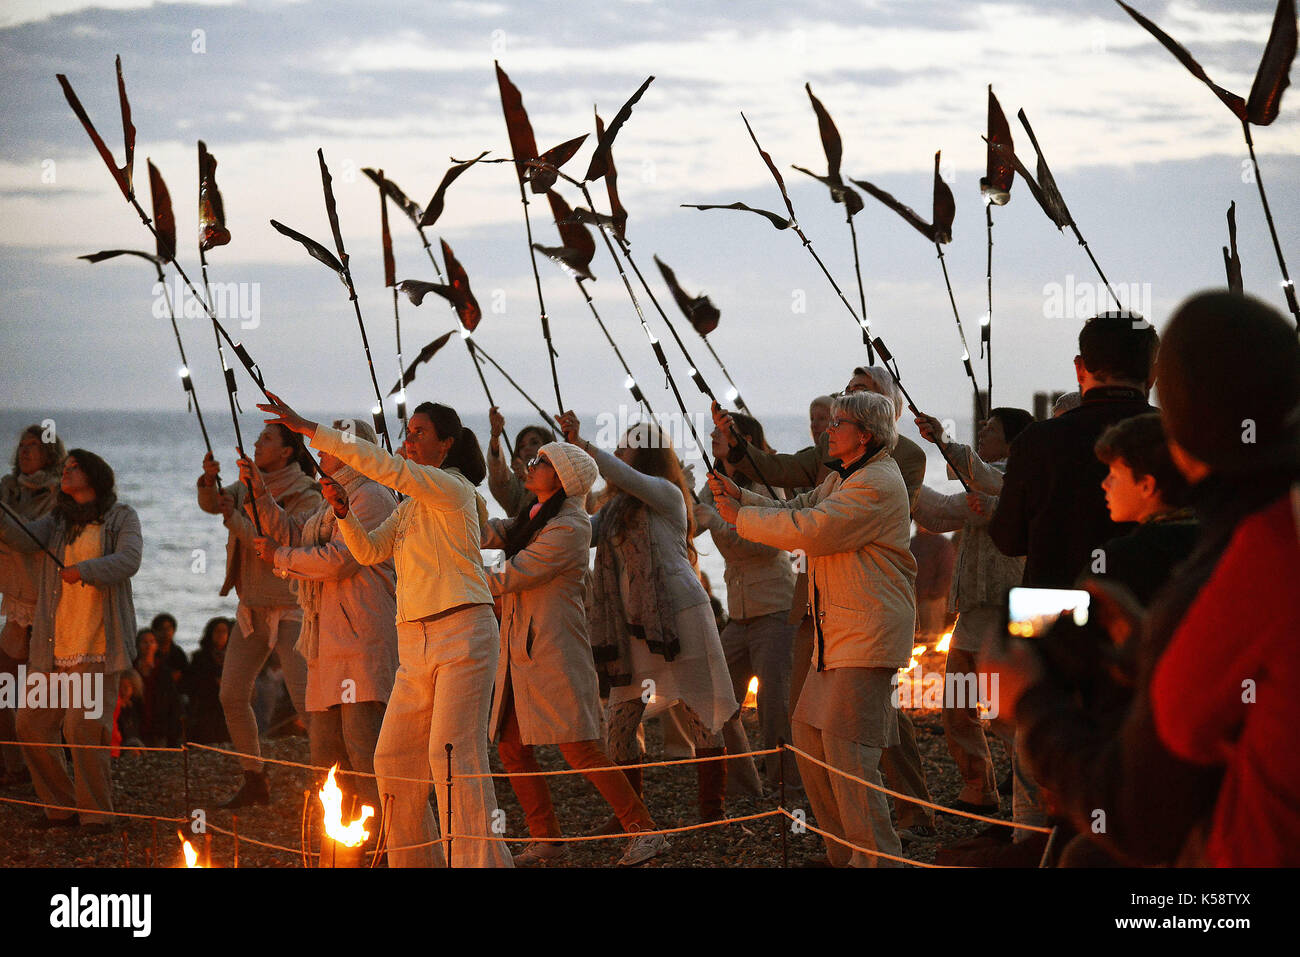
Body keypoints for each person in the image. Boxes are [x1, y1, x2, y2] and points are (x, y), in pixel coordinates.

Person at [996, 291, 1300, 866]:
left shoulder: (1247, 566)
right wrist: (1146, 644)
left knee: (1076, 854)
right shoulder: (1268, 521)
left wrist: (1028, 699)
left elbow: (1138, 817)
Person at [259, 393, 512, 868]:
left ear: (446, 444)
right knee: (392, 759)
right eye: (407, 431)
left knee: (453, 758)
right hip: (414, 643)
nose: (408, 440)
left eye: (419, 433)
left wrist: (308, 426)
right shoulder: (413, 504)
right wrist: (342, 513)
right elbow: (372, 550)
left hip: (464, 633)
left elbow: (387, 469)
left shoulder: (451, 489)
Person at [715, 364, 937, 840]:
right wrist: (740, 499)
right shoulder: (844, 477)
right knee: (812, 741)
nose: (827, 430)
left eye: (838, 423)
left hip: (866, 633)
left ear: (865, 435)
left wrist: (741, 517)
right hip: (834, 631)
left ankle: (875, 855)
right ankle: (845, 851)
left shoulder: (877, 481)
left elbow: (813, 531)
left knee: (850, 755)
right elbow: (796, 509)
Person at [483, 440, 668, 866]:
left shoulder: (570, 526)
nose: (530, 467)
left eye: (541, 462)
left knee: (580, 749)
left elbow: (514, 573)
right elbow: (495, 530)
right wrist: (447, 515)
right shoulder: (533, 517)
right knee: (512, 748)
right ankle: (546, 837)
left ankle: (645, 831)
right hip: (519, 652)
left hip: (554, 652)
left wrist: (462, 567)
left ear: (565, 478)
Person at [557, 412, 738, 824]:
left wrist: (585, 446)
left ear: (648, 455)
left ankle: (713, 812)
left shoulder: (667, 494)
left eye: (627, 445)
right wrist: (569, 481)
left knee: (701, 711)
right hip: (632, 626)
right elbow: (584, 532)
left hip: (681, 618)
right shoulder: (616, 508)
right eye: (618, 445)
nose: (620, 451)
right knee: (620, 716)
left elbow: (622, 473)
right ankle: (631, 813)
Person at [250, 418, 399, 814]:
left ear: (352, 451)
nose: (318, 452)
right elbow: (294, 533)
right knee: (327, 752)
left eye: (328, 446)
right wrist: (258, 494)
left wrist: (280, 558)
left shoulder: (371, 497)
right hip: (328, 642)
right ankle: (346, 838)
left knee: (364, 747)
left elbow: (339, 561)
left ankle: (388, 838)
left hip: (361, 638)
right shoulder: (330, 497)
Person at [0, 449, 141, 833]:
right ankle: (60, 808)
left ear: (94, 474)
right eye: (64, 468)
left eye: (73, 468)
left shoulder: (121, 516)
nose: (66, 472)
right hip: (54, 646)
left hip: (98, 645)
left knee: (82, 729)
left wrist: (85, 570)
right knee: (29, 724)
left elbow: (130, 560)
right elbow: (24, 540)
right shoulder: (59, 521)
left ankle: (97, 814)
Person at [913, 406, 1033, 813]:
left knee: (1004, 715)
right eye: (981, 427)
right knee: (958, 708)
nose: (982, 432)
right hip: (970, 615)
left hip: (1005, 614)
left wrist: (944, 444)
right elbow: (939, 513)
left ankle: (1031, 794)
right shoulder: (982, 484)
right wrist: (902, 481)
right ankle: (979, 789)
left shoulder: (1019, 481)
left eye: (991, 428)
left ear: (1013, 440)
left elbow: (986, 480)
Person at [198, 424, 321, 807]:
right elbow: (212, 503)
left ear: (287, 451)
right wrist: (209, 481)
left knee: (307, 704)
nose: (256, 443)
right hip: (251, 608)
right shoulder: (242, 486)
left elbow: (286, 540)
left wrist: (234, 517)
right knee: (231, 694)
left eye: (267, 439)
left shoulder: (307, 493)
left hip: (290, 607)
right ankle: (254, 777)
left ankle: (332, 781)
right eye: (258, 438)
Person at [989, 312, 1159, 587]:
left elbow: (1007, 539)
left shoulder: (1037, 440)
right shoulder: (1178, 439)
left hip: (1056, 614)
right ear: (1153, 373)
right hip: (1155, 615)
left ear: (1080, 369)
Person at [694, 412, 799, 790]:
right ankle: (742, 783)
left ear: (744, 439)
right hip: (739, 614)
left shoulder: (766, 484)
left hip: (774, 608)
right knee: (719, 698)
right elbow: (695, 520)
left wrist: (713, 521)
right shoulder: (718, 483)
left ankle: (788, 786)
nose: (712, 435)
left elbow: (762, 544)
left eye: (721, 431)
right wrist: (685, 493)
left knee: (775, 706)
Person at [0, 424, 65, 787]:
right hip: (16, 601)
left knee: (39, 698)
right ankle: (14, 766)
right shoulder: (8, 489)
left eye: (33, 448)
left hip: (46, 605)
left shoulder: (59, 495)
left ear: (49, 454)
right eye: (21, 446)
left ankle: (49, 772)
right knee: (3, 685)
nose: (25, 452)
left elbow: (28, 538)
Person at [1093, 413, 1198, 606]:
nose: (1105, 484)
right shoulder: (1222, 540)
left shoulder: (1119, 560)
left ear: (1146, 485)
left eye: (1114, 475)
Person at [486, 408, 555, 517]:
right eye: (522, 446)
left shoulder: (562, 478)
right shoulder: (517, 485)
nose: (527, 448)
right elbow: (499, 475)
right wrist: (495, 436)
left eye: (534, 443)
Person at [182, 617, 231, 745]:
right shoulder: (199, 657)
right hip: (205, 709)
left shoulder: (234, 658)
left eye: (224, 631)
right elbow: (191, 683)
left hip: (228, 708)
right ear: (211, 633)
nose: (220, 635)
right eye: (217, 631)